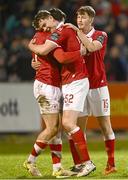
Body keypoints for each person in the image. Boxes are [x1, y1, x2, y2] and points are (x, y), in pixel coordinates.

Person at [28, 8, 96, 177]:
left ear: (51, 19)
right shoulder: (61, 31)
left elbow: (59, 57)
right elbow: (49, 55)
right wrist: (33, 53)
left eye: (45, 25)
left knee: (63, 126)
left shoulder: (60, 31)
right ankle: (56, 166)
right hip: (56, 84)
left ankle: (82, 163)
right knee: (57, 128)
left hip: (71, 81)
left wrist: (30, 46)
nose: (44, 29)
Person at [65, 6, 116, 175]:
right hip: (79, 86)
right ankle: (79, 163)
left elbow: (91, 47)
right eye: (78, 17)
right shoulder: (73, 36)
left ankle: (111, 163)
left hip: (98, 86)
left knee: (104, 126)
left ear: (91, 19)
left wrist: (77, 33)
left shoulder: (101, 34)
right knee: (77, 127)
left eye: (83, 17)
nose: (79, 20)